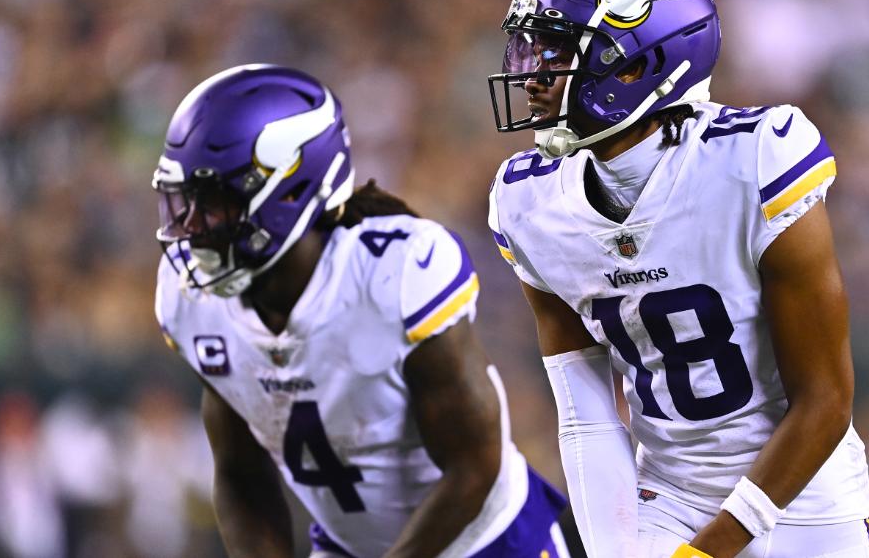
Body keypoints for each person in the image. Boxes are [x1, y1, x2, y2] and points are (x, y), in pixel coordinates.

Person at [486, 0, 869, 558]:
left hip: (804, 496)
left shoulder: (754, 162)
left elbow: (826, 401)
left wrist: (711, 549)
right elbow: (588, 416)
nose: (533, 74)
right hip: (668, 495)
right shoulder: (530, 204)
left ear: (636, 64)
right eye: (532, 47)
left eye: (558, 51)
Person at [152, 64, 568, 558]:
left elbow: (476, 463)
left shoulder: (393, 274)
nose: (192, 228)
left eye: (214, 204)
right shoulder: (193, 300)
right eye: (183, 205)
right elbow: (242, 475)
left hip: (486, 542)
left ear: (289, 190)